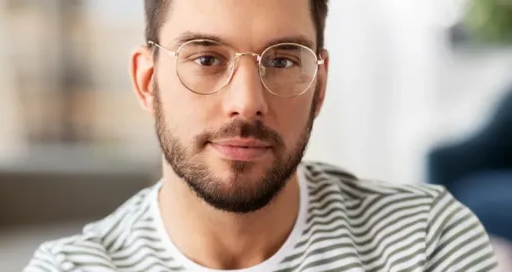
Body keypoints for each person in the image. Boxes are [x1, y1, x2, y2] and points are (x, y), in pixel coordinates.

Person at [25, 0, 498, 271]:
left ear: (320, 85)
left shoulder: (426, 240)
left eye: (283, 59)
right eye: (207, 58)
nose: (247, 101)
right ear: (147, 82)